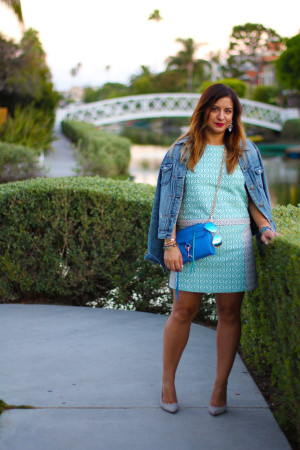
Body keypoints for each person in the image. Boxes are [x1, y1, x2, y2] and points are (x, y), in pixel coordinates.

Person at [145, 83, 279, 416]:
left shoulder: (246, 151)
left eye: (228, 111)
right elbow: (166, 204)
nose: (221, 116)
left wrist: (264, 227)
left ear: (235, 116)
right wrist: (169, 244)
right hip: (190, 244)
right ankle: (167, 384)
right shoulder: (180, 150)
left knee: (230, 315)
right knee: (182, 312)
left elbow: (253, 198)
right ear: (203, 111)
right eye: (216, 109)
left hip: (235, 244)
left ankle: (219, 390)